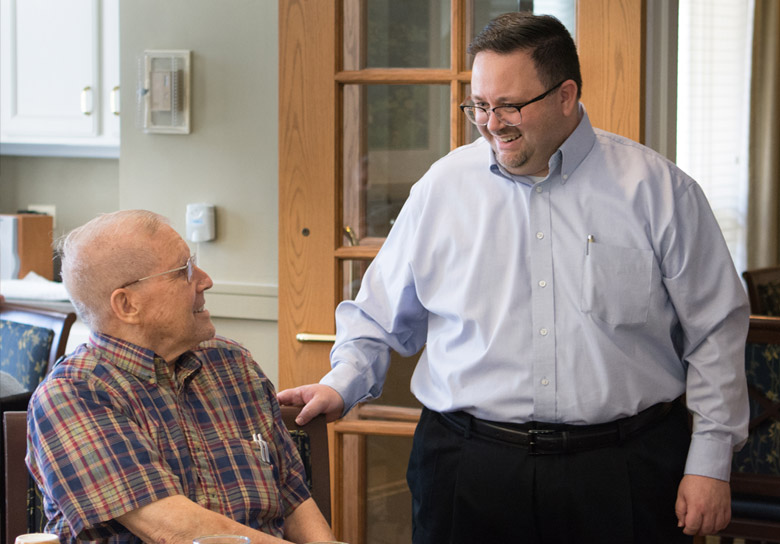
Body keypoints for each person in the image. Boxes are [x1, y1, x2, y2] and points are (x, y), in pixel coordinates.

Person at [278, 11, 750, 544]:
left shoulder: (660, 191)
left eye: (509, 105)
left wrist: (710, 462)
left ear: (566, 95)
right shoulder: (442, 188)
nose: (489, 122)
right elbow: (376, 318)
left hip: (623, 472)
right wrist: (341, 385)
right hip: (466, 470)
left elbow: (716, 333)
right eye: (479, 105)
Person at [26, 210, 335, 544]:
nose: (205, 279)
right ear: (128, 305)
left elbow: (294, 499)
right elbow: (176, 530)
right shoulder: (73, 395)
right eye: (184, 271)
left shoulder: (232, 364)